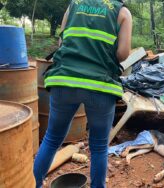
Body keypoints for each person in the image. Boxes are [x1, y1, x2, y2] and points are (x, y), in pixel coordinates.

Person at [33, 0, 132, 187]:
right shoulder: (122, 12)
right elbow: (123, 54)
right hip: (100, 86)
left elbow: (62, 42)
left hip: (64, 81)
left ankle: (33, 184)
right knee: (99, 147)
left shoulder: (73, 5)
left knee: (52, 139)